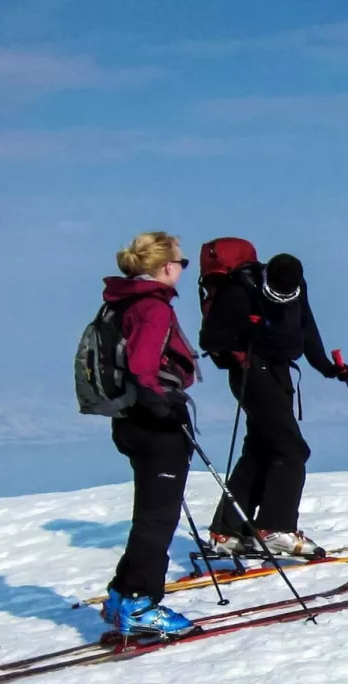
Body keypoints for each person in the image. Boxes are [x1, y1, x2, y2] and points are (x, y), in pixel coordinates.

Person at [201, 252, 348, 557]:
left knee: (261, 449)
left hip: (278, 373)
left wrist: (326, 367)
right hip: (251, 374)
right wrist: (245, 331)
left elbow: (306, 326)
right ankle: (275, 529)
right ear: (267, 276)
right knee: (292, 449)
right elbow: (209, 339)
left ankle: (226, 532)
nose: (284, 297)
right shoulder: (242, 290)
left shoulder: (297, 285)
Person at [100, 231, 201, 636]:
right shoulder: (152, 307)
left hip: (128, 420)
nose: (182, 268)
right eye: (181, 261)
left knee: (149, 514)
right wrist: (164, 405)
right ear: (167, 266)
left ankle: (122, 595)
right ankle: (140, 605)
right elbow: (142, 366)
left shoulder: (120, 301)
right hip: (155, 423)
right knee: (158, 518)